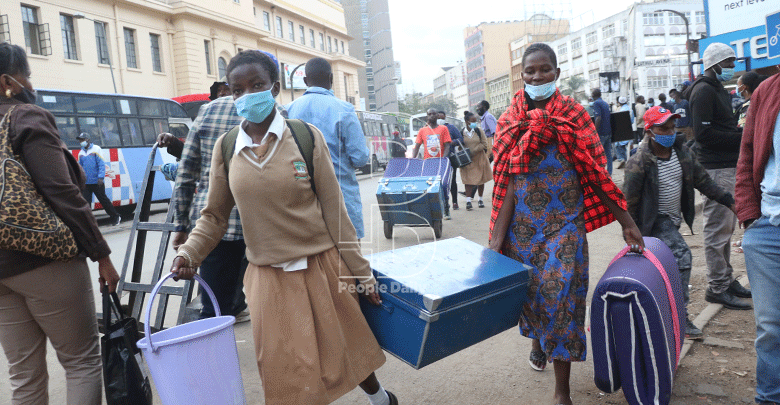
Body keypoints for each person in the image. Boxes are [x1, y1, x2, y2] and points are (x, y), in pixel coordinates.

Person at [170, 50, 397, 405]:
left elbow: (336, 214)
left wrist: (361, 273)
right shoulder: (228, 148)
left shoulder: (305, 138)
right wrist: (190, 252)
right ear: (230, 94)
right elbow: (213, 216)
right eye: (238, 88)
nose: (247, 95)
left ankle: (381, 399)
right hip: (267, 278)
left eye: (256, 85)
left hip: (319, 268)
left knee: (346, 350)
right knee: (285, 369)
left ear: (275, 88)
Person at [488, 43, 643, 405]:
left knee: (563, 300)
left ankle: (562, 391)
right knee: (532, 297)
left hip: (564, 229)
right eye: (530, 71)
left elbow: (595, 173)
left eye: (545, 70)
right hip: (522, 230)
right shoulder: (510, 119)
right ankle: (540, 343)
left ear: (557, 74)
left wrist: (627, 222)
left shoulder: (574, 115)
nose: (537, 76)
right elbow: (507, 181)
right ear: (522, 75)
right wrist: (497, 240)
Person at [0, 43, 120, 405]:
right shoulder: (24, 116)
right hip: (44, 257)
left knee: (24, 374)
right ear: (8, 81)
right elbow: (61, 191)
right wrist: (101, 255)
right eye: (27, 75)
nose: (29, 82)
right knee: (81, 361)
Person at [624, 106, 736, 340]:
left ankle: (660, 315)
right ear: (650, 131)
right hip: (653, 222)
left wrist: (731, 202)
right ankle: (679, 316)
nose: (670, 131)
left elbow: (704, 182)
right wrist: (631, 233)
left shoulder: (683, 154)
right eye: (663, 127)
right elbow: (629, 201)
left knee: (664, 270)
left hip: (672, 222)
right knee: (682, 257)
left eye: (673, 126)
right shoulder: (639, 160)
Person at [171, 70, 250, 322]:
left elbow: (187, 171)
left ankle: (218, 352)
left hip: (213, 224)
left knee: (214, 307)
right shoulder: (278, 115)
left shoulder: (209, 111)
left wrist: (181, 225)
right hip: (258, 227)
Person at [683, 42, 752, 310]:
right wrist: (741, 136)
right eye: (729, 63)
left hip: (726, 165)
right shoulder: (702, 92)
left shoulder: (716, 90)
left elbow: (719, 128)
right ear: (714, 65)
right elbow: (703, 135)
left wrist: (737, 134)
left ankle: (726, 278)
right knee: (717, 230)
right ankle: (717, 287)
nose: (733, 68)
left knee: (726, 228)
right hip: (716, 168)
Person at [286, 57, 370, 239]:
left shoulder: (288, 110)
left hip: (300, 200)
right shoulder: (344, 109)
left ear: (306, 81)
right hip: (340, 199)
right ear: (331, 79)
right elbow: (360, 158)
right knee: (348, 259)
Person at [735, 71, 780, 405]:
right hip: (768, 228)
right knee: (770, 328)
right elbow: (747, 153)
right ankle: (769, 398)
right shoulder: (767, 91)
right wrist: (750, 217)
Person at [412, 108, 452, 219]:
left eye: (434, 114)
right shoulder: (422, 131)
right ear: (427, 116)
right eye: (429, 114)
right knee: (427, 187)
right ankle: (430, 210)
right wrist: (412, 160)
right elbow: (416, 147)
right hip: (428, 163)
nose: (431, 116)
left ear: (437, 116)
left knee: (442, 185)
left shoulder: (443, 129)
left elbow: (447, 146)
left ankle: (446, 208)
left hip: (440, 162)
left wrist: (443, 160)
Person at [76, 132, 122, 226]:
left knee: (104, 201)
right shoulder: (81, 153)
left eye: (82, 140)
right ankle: (88, 223)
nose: (81, 142)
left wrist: (101, 177)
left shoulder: (96, 149)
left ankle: (116, 217)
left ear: (88, 140)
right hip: (87, 183)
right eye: (80, 140)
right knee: (86, 204)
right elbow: (80, 167)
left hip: (97, 182)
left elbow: (101, 164)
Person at [460, 111, 491, 210]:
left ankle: (480, 199)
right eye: (472, 121)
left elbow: (485, 144)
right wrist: (466, 152)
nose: (474, 123)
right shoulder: (461, 133)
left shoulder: (479, 131)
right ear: (466, 121)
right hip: (467, 161)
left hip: (479, 159)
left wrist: (473, 150)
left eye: (475, 121)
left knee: (481, 180)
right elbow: (460, 146)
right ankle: (468, 201)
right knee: (468, 181)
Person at [440, 110, 463, 210]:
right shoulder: (433, 129)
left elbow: (460, 140)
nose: (439, 120)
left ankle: (454, 202)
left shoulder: (451, 128)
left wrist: (451, 142)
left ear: (445, 117)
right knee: (440, 183)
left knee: (452, 181)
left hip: (450, 158)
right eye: (437, 118)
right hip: (437, 161)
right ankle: (444, 204)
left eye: (441, 117)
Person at [590, 88, 613, 174]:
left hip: (601, 133)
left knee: (598, 156)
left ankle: (600, 174)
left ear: (593, 95)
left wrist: (594, 131)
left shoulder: (596, 103)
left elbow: (598, 118)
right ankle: (609, 174)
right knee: (608, 155)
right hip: (608, 132)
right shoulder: (605, 103)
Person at [614, 96, 634, 168]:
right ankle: (628, 161)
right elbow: (632, 121)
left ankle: (623, 160)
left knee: (619, 146)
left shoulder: (620, 110)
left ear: (619, 102)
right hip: (629, 130)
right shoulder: (630, 109)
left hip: (622, 131)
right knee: (628, 147)